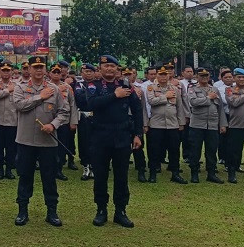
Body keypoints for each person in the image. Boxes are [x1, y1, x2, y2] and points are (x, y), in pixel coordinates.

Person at [12, 55, 69, 227]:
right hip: (26, 141)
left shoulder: (55, 89)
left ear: (45, 70)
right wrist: (40, 97)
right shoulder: (20, 87)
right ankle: (23, 210)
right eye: (35, 67)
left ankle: (51, 211)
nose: (38, 70)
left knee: (49, 178)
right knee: (25, 176)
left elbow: (64, 112)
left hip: (48, 142)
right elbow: (19, 105)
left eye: (41, 67)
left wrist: (53, 125)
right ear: (29, 69)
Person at [87, 55, 142, 228]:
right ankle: (101, 210)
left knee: (121, 176)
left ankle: (121, 211)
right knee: (101, 176)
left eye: (113, 66)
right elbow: (91, 104)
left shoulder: (126, 86)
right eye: (106, 66)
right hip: (100, 136)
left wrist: (138, 134)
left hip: (122, 136)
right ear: (100, 68)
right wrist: (114, 95)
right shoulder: (93, 86)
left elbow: (137, 111)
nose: (109, 69)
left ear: (117, 69)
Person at [143, 66, 187, 184]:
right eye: (161, 74)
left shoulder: (175, 88)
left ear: (169, 76)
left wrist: (181, 122)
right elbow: (151, 101)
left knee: (174, 150)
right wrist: (165, 97)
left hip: (172, 124)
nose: (163, 77)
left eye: (165, 74)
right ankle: (153, 173)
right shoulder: (151, 88)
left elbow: (179, 107)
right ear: (157, 76)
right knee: (154, 150)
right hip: (157, 124)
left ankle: (175, 173)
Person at [187, 67, 226, 184]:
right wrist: (208, 98)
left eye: (206, 76)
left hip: (213, 124)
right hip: (197, 124)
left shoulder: (214, 89)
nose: (204, 78)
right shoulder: (192, 89)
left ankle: (211, 173)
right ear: (197, 77)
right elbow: (193, 102)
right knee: (195, 150)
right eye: (201, 76)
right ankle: (194, 173)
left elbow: (220, 108)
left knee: (212, 150)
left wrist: (223, 124)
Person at [48, 63, 78, 180]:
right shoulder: (45, 86)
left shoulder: (67, 87)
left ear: (62, 74)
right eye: (54, 72)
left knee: (61, 147)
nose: (56, 74)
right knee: (49, 148)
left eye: (58, 72)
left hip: (64, 122)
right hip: (49, 122)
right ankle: (49, 169)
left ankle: (59, 170)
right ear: (49, 73)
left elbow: (72, 104)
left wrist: (73, 121)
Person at [0, 62, 17, 180]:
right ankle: (0, 169)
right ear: (0, 71)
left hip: (13, 122)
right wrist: (7, 91)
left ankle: (9, 170)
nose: (6, 72)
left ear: (11, 72)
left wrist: (10, 89)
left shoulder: (18, 85)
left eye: (8, 70)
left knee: (11, 148)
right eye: (4, 70)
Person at [74, 63, 97, 181]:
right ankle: (86, 166)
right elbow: (80, 97)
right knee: (84, 142)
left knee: (96, 142)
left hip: (97, 117)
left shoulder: (99, 84)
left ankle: (94, 167)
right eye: (85, 72)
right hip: (83, 116)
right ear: (82, 73)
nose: (88, 73)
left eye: (90, 71)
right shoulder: (79, 84)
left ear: (94, 72)